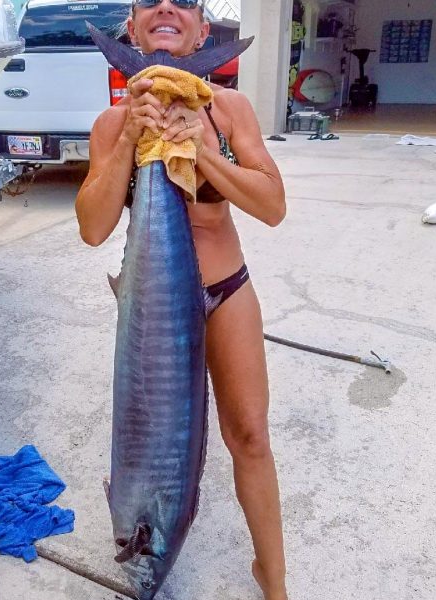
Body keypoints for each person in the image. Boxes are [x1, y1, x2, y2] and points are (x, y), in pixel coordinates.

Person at [75, 1, 288, 598]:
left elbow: (273, 206)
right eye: (150, 0)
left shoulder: (229, 108)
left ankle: (273, 579)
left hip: (226, 290)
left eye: (184, 2)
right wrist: (131, 141)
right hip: (154, 302)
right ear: (133, 27)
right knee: (156, 430)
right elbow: (92, 229)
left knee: (249, 434)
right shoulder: (111, 124)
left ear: (199, 30)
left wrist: (207, 155)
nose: (166, 7)